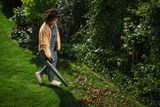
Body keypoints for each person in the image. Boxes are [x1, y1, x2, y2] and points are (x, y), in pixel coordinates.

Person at [35, 8, 61, 86]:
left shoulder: (54, 24)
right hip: (45, 49)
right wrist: (48, 55)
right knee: (51, 64)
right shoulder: (44, 28)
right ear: (51, 19)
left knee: (53, 63)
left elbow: (57, 35)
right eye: (55, 19)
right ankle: (51, 81)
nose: (56, 21)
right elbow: (44, 44)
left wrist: (57, 46)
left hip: (53, 47)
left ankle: (40, 74)